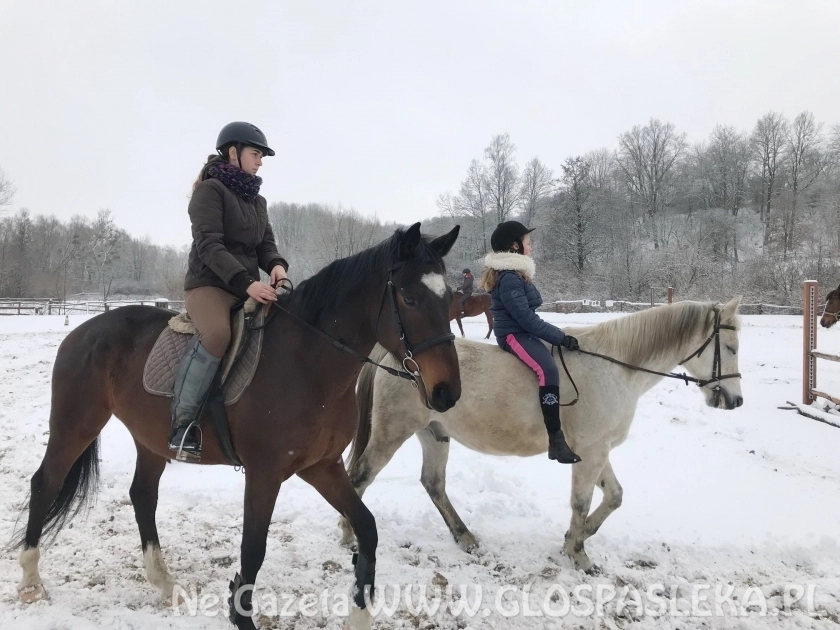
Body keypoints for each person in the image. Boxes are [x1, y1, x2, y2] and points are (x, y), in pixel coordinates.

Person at [168, 122, 289, 460]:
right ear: (233, 152)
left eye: (262, 156)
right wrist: (247, 283)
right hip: (210, 286)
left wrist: (277, 264)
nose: (260, 161)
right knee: (218, 334)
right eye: (256, 154)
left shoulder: (257, 201)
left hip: (246, 286)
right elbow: (209, 245)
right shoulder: (210, 191)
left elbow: (265, 244)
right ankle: (183, 422)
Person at [480, 221, 581, 464]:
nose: (531, 247)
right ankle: (555, 439)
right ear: (515, 246)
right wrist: (559, 336)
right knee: (547, 370)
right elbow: (525, 319)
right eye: (527, 243)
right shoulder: (510, 279)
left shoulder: (516, 274)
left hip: (523, 331)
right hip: (513, 335)